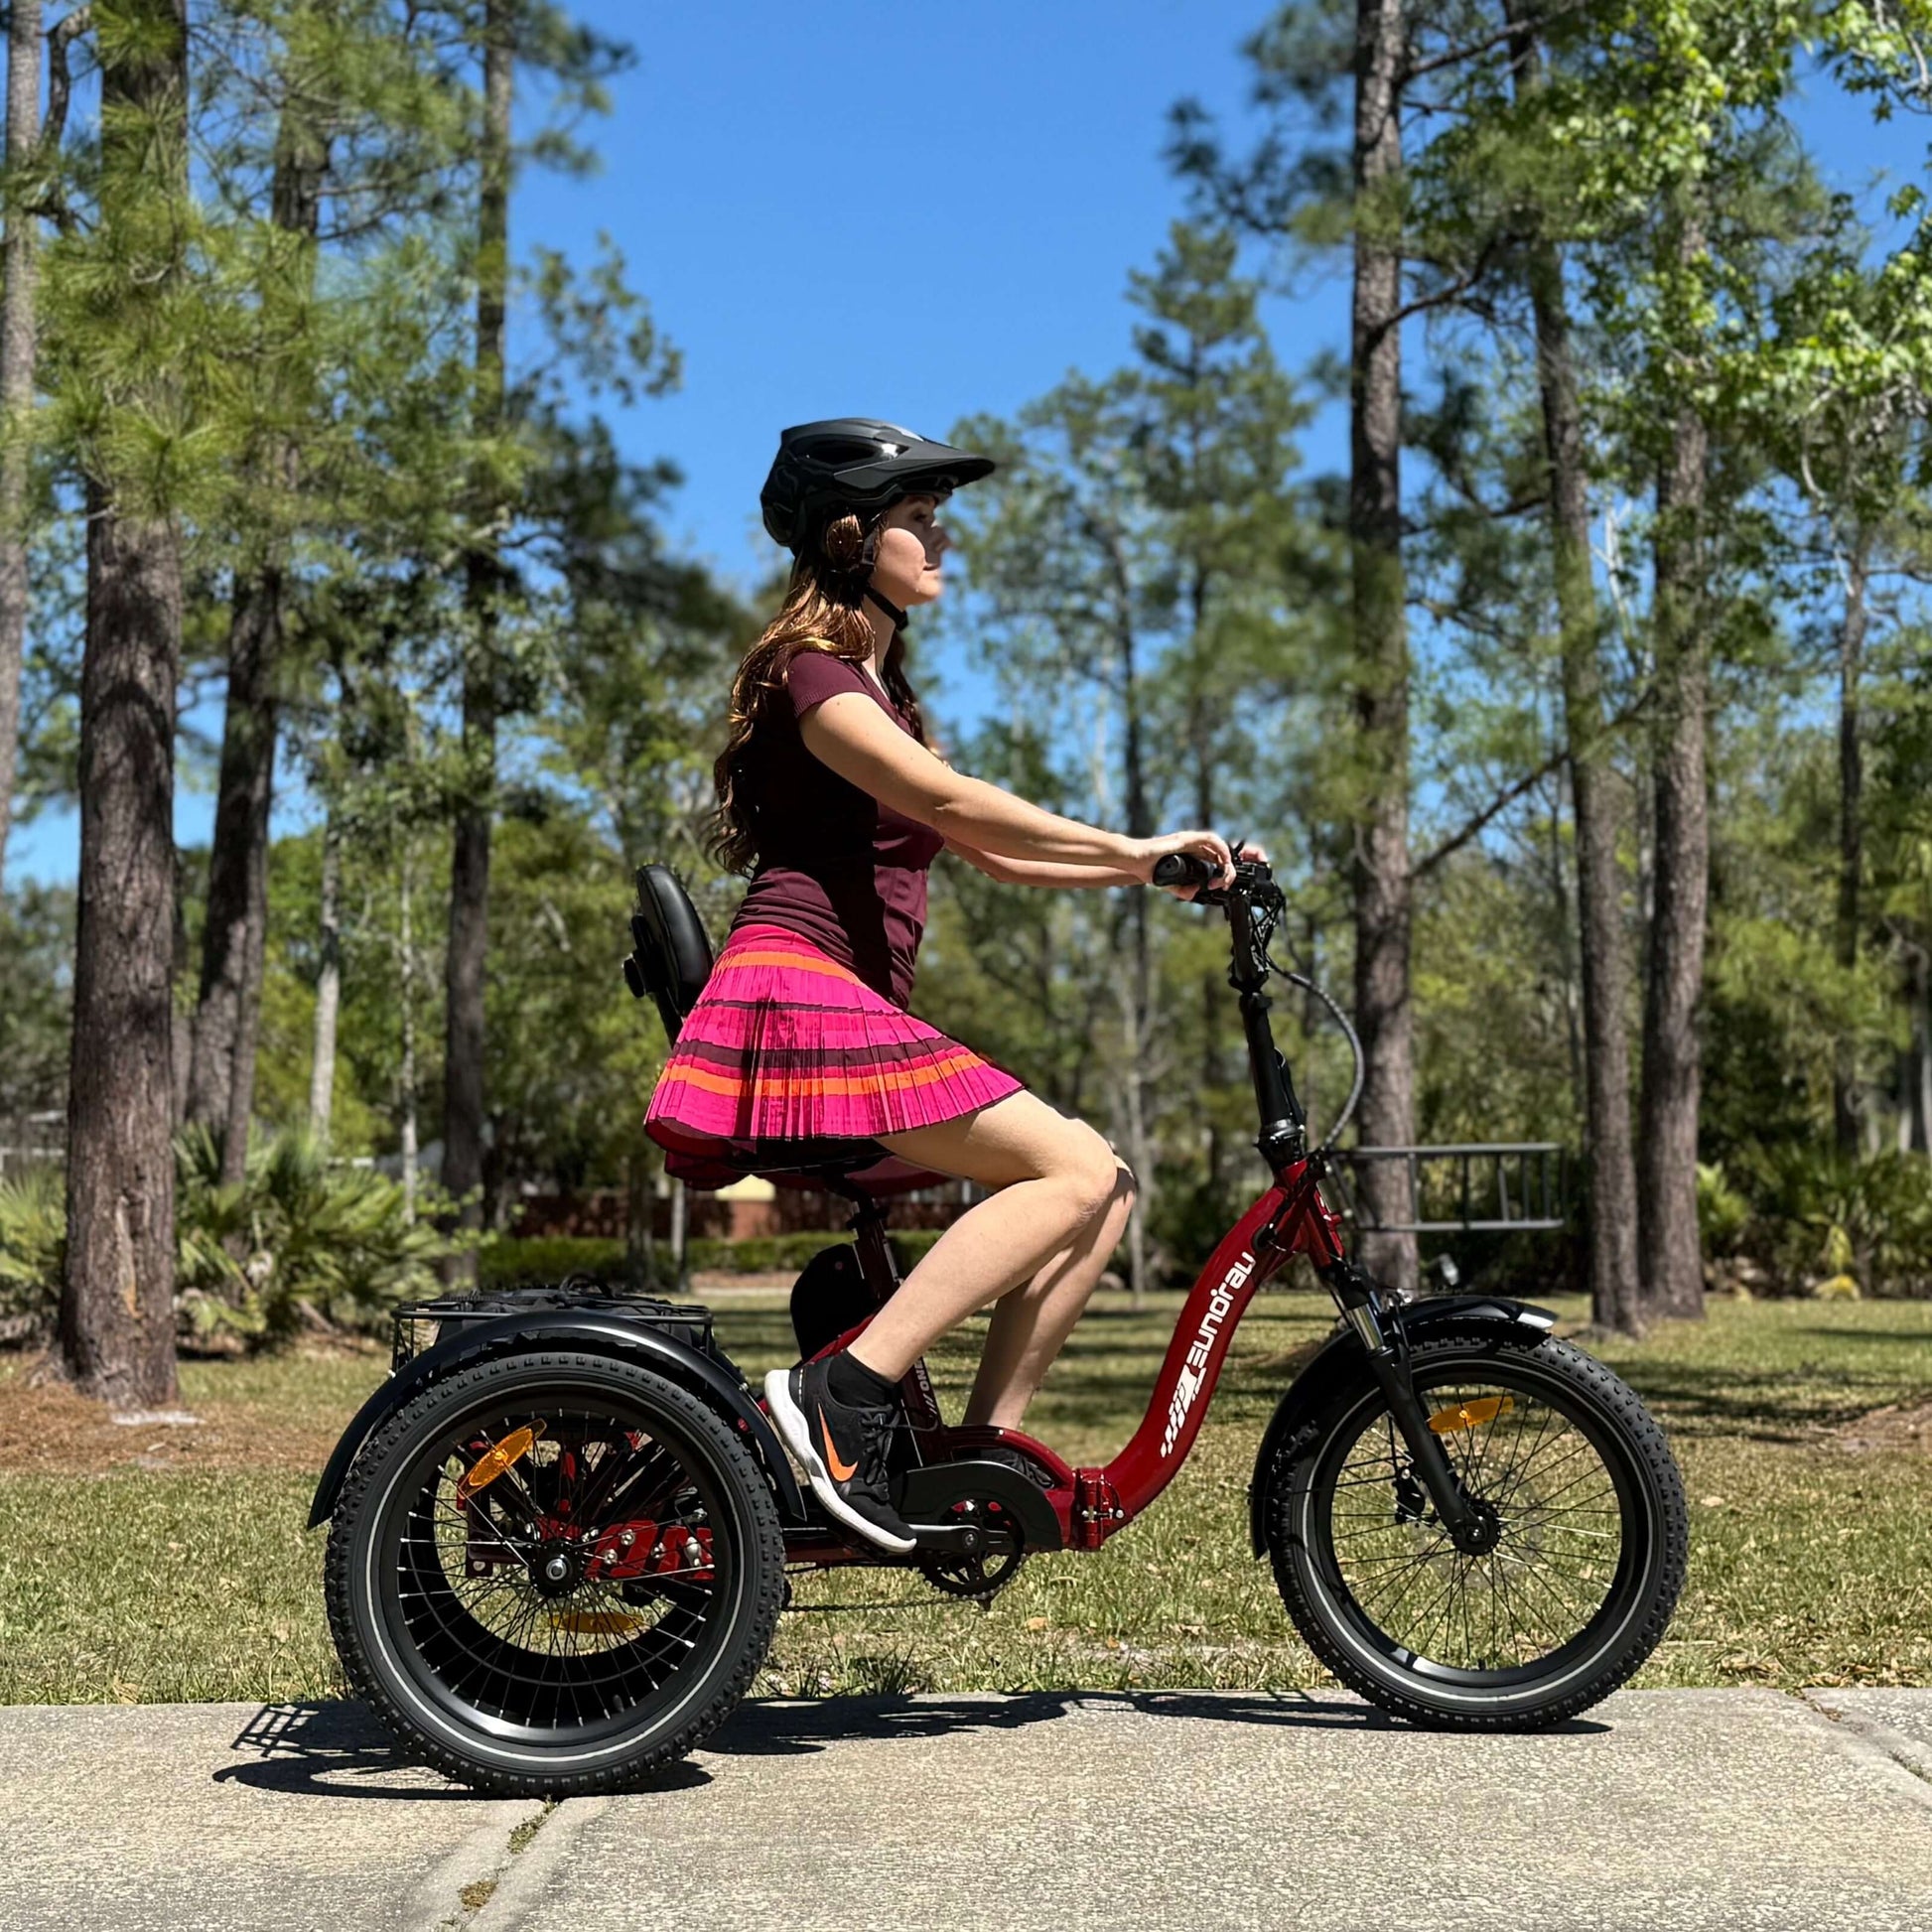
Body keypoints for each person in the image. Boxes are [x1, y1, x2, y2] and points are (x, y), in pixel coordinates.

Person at [644, 419, 1244, 1555]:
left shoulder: (881, 689)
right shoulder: (812, 677)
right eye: (917, 518)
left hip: (837, 999)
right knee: (1067, 1164)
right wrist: (1130, 843)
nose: (939, 536)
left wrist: (1156, 874)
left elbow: (992, 849)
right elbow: (956, 803)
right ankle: (842, 1396)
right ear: (848, 533)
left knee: (1101, 1182)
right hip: (797, 987)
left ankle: (974, 1468)